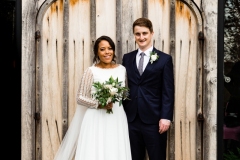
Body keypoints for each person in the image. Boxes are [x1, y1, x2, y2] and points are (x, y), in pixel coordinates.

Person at [54, 35, 132, 160]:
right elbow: (80, 97)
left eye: (110, 48)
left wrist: (116, 96)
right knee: (95, 150)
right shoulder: (90, 71)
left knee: (115, 148)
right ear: (96, 52)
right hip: (96, 118)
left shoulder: (122, 70)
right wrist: (100, 104)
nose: (107, 52)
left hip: (116, 116)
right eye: (102, 49)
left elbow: (125, 93)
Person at [122, 17, 174, 160]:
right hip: (131, 119)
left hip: (155, 120)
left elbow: (168, 90)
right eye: (138, 34)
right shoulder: (127, 58)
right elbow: (124, 86)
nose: (141, 37)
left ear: (152, 33)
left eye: (144, 33)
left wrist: (166, 117)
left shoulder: (164, 59)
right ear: (134, 35)